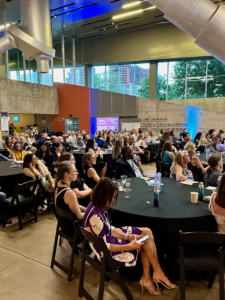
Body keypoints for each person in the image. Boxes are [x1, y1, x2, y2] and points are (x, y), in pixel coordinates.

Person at [84, 178, 177, 295]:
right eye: (111, 197)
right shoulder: (95, 217)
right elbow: (105, 247)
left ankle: (151, 276)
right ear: (103, 195)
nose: (113, 199)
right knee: (146, 241)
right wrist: (129, 246)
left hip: (110, 240)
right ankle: (153, 276)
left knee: (146, 232)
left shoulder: (96, 205)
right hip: (108, 253)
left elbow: (109, 228)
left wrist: (127, 236)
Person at [54, 161, 85, 239]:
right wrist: (93, 211)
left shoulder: (59, 185)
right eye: (74, 171)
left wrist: (87, 209)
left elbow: (75, 205)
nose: (77, 173)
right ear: (66, 174)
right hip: (74, 231)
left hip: (65, 225)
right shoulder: (69, 193)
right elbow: (80, 216)